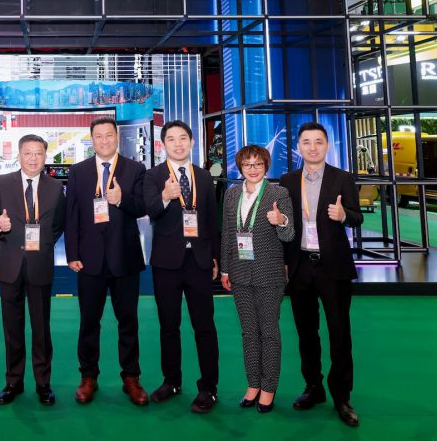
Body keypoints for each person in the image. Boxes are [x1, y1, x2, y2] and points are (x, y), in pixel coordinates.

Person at [280, 122, 363, 427]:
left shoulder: (342, 178)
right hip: (300, 266)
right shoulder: (288, 181)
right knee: (306, 333)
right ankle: (313, 387)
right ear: (298, 147)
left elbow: (357, 217)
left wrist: (344, 215)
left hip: (333, 268)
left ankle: (342, 396)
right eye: (306, 142)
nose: (312, 147)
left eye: (318, 141)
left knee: (339, 333)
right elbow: (285, 226)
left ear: (327, 145)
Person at [65, 116, 149, 406]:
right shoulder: (78, 171)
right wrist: (72, 253)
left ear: (117, 137)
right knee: (89, 321)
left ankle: (131, 377)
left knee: (128, 321)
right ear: (92, 140)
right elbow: (72, 214)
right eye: (98, 136)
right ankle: (88, 377)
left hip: (125, 257)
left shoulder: (135, 169)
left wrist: (122, 199)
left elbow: (142, 207)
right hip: (89, 260)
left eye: (109, 135)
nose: (104, 141)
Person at [142, 120, 220, 413]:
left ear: (192, 142)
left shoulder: (204, 176)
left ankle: (209, 387)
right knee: (168, 326)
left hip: (199, 261)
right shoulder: (153, 176)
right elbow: (150, 210)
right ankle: (172, 381)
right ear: (163, 145)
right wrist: (165, 196)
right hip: (166, 262)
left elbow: (212, 219)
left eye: (183, 138)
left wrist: (215, 257)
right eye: (171, 139)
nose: (178, 144)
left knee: (204, 326)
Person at [0, 134, 66, 406]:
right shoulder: (3, 182)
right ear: (19, 156)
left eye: (38, 154)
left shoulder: (55, 187)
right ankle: (14, 381)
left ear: (45, 157)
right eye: (28, 153)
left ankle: (43, 383)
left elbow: (59, 224)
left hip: (40, 265)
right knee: (12, 327)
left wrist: (43, 245)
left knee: (41, 327)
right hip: (10, 265)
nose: (33, 159)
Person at [220, 144, 294, 414]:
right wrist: (225, 270)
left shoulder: (278, 193)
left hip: (269, 272)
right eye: (247, 164)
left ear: (266, 166)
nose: (253, 169)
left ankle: (268, 388)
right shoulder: (231, 194)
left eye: (258, 164)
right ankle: (253, 384)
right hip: (239, 272)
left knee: (269, 332)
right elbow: (227, 233)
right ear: (240, 167)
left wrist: (281, 220)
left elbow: (289, 235)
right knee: (249, 332)